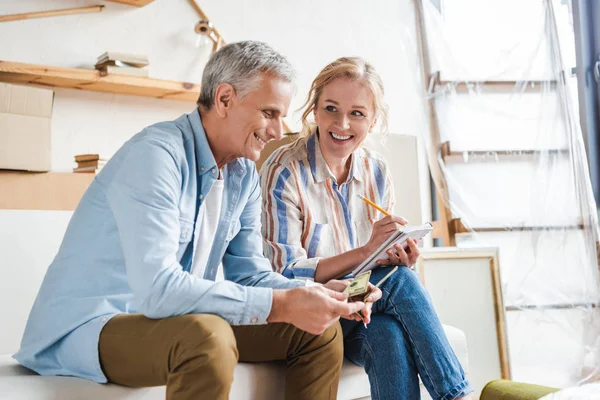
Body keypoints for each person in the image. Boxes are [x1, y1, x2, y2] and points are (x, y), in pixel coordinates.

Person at [14, 41, 366, 400]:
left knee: (316, 331)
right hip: (92, 325)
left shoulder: (243, 173)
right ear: (225, 99)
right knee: (207, 338)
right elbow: (158, 292)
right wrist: (281, 305)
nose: (278, 131)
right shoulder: (156, 156)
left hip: (170, 319)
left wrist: (311, 293)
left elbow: (251, 274)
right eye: (270, 113)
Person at [260, 56, 474, 400]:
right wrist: (367, 252)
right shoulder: (284, 171)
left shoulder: (376, 171)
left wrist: (397, 254)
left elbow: (376, 268)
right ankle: (457, 395)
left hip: (360, 304)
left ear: (373, 121)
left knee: (387, 332)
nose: (342, 123)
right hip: (307, 308)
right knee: (401, 283)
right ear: (314, 111)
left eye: (357, 113)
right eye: (331, 108)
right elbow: (283, 272)